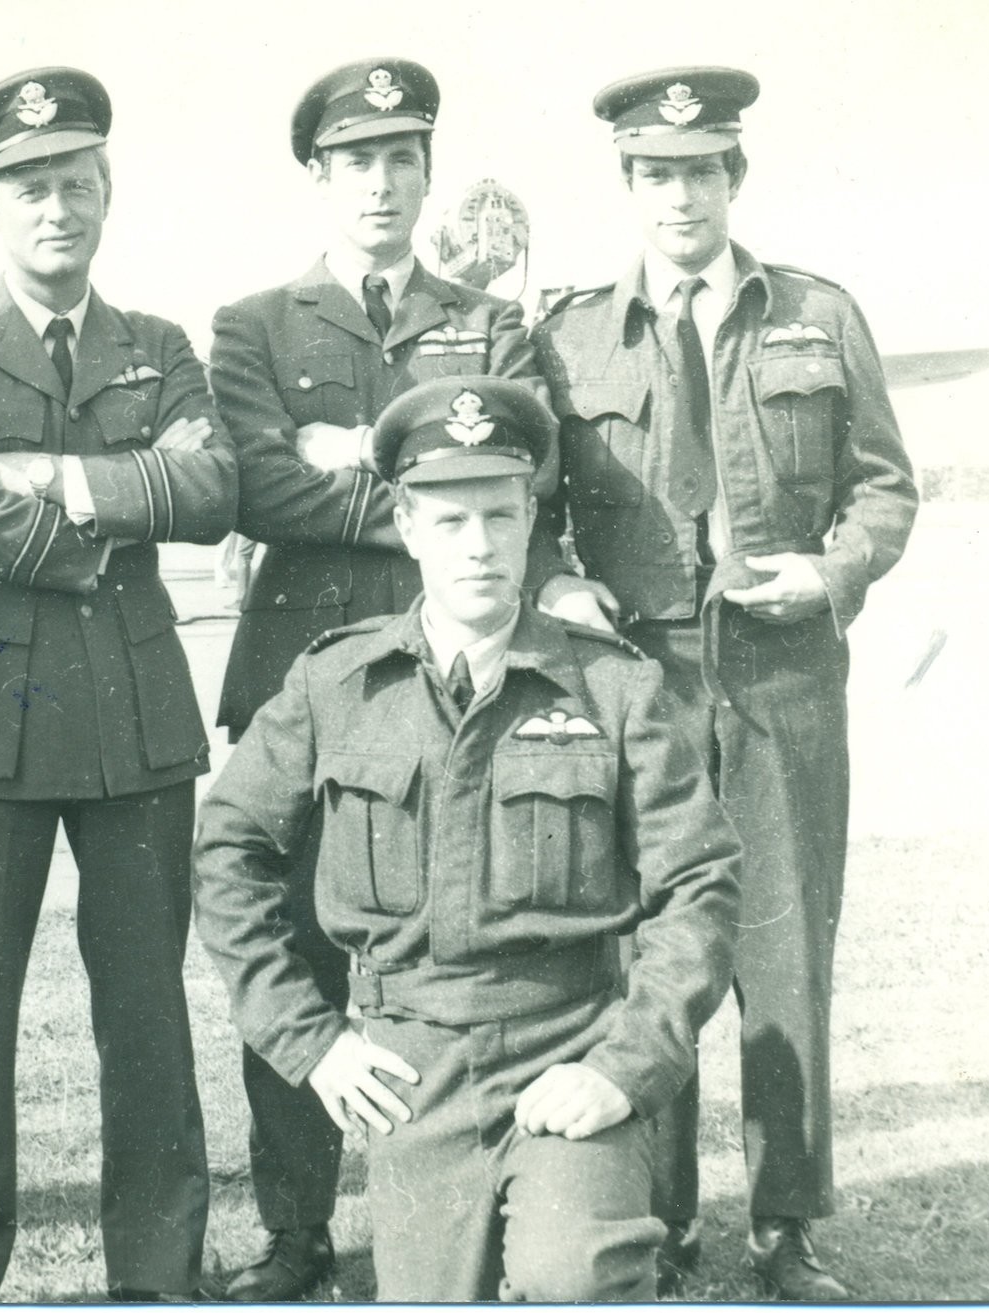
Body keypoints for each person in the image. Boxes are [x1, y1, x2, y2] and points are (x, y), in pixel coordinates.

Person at [193, 375, 741, 1302]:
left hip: (568, 1048)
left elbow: (701, 881)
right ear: (406, 526)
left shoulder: (614, 688)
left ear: (531, 522)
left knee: (577, 1277)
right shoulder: (338, 683)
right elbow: (226, 849)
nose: (479, 545)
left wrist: (626, 1064)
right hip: (410, 1070)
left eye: (500, 515)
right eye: (450, 520)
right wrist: (310, 1040)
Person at [531, 66, 917, 1299]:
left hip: (781, 674)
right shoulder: (567, 335)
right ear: (627, 184)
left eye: (700, 171)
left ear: (732, 177)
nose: (679, 195)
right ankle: (658, 1218)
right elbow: (528, 508)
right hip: (638, 682)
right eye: (655, 173)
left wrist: (832, 571)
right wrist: (558, 583)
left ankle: (785, 1225)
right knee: (652, 944)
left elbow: (883, 486)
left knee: (784, 950)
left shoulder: (815, 313)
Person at [0, 67, 235, 1303]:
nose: (54, 208)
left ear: (106, 192)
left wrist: (60, 476)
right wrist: (115, 511)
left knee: (146, 1008)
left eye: (75, 182)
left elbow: (213, 488)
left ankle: (158, 1272)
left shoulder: (158, 346)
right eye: (28, 186)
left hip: (132, 716)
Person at [205, 56, 541, 1300]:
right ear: (318, 174)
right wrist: (417, 487)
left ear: (427, 174)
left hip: (451, 680)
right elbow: (257, 488)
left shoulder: (490, 323)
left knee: (459, 944)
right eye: (356, 160)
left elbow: (523, 472)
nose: (381, 183)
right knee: (293, 948)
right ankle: (294, 1229)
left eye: (403, 159)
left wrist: (348, 453)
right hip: (301, 677)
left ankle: (469, 1209)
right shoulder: (254, 324)